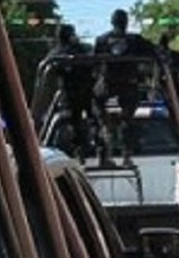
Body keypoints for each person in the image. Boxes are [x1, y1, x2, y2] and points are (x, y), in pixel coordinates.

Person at [92, 9, 148, 162]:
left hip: (107, 85)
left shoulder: (101, 40)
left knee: (98, 113)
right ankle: (126, 152)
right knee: (127, 119)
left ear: (112, 22)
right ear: (126, 22)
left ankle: (104, 141)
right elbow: (153, 51)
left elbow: (94, 64)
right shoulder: (135, 40)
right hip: (128, 85)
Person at [39, 24, 96, 158]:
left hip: (74, 94)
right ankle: (84, 143)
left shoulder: (63, 51)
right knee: (86, 117)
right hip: (74, 94)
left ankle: (86, 142)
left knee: (87, 117)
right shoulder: (71, 50)